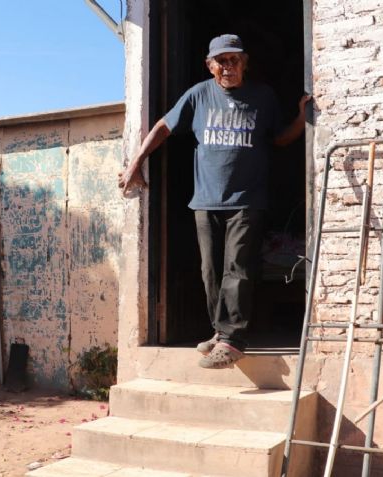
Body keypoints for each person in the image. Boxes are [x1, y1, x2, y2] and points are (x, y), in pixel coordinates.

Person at [118, 34, 311, 369]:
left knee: (238, 268)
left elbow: (281, 139)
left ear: (245, 63)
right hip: (205, 200)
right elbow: (163, 126)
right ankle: (220, 331)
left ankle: (233, 340)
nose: (228, 67)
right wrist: (136, 163)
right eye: (221, 61)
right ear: (210, 66)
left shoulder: (262, 97)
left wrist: (301, 118)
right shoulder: (198, 95)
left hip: (247, 200)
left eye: (234, 60)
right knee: (210, 271)